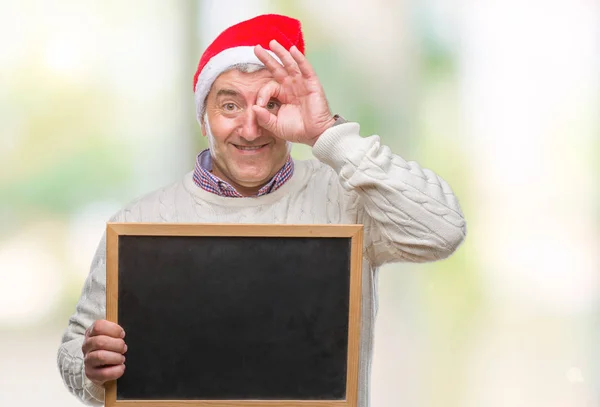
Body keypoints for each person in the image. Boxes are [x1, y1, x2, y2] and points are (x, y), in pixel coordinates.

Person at [57, 14, 466, 407]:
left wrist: (327, 133)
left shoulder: (349, 199)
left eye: (270, 106)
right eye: (230, 106)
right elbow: (76, 349)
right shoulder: (139, 222)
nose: (251, 129)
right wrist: (93, 366)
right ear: (204, 118)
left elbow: (442, 231)